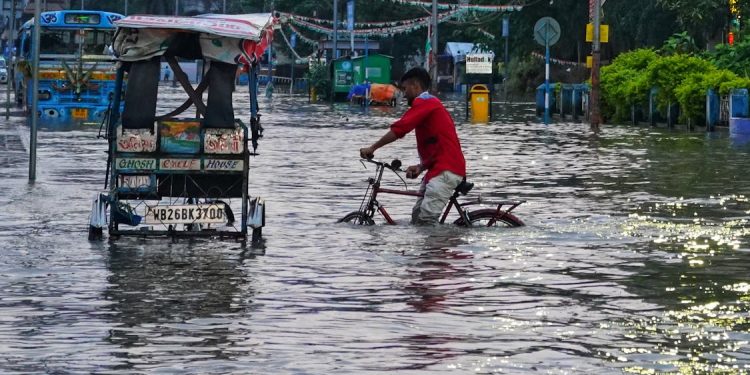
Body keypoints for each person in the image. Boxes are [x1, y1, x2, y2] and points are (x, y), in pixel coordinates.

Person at [359, 67, 466, 225]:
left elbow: (400, 129)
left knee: (426, 220)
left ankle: (441, 248)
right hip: (438, 170)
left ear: (415, 85)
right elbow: (437, 146)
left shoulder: (425, 102)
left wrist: (372, 148)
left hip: (446, 170)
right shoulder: (429, 105)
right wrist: (421, 167)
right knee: (417, 219)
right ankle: (427, 248)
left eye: (405, 88)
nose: (404, 93)